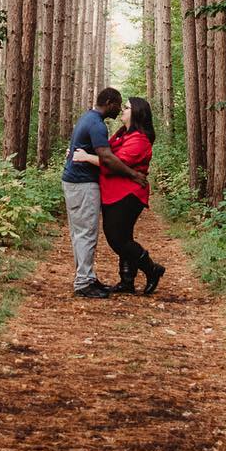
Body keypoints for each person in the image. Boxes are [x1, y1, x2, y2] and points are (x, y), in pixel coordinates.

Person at [72, 95, 165, 296]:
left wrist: (86, 157)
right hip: (115, 193)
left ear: (137, 113)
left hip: (128, 195)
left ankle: (152, 269)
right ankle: (127, 280)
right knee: (124, 236)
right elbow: (107, 152)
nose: (123, 110)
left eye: (127, 107)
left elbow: (115, 162)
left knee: (117, 238)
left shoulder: (140, 140)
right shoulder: (123, 134)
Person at [61, 87, 146, 299]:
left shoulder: (88, 119)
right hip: (81, 184)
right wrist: (134, 175)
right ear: (109, 102)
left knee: (81, 233)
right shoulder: (97, 125)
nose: (118, 110)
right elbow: (107, 158)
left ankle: (87, 277)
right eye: (118, 105)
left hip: (76, 182)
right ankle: (83, 283)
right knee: (86, 234)